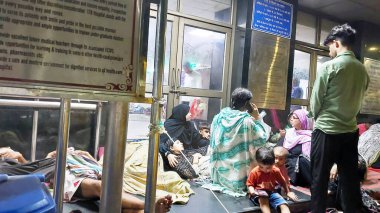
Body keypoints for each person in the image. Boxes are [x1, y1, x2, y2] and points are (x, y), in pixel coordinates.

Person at [309, 23, 369, 213]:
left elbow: (315, 101)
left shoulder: (329, 67)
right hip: (350, 132)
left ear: (336, 43)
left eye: (329, 47)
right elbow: (360, 97)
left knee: (319, 179)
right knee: (350, 180)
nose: (329, 52)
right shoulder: (362, 69)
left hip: (326, 130)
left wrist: (315, 116)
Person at [0, 147, 173, 213]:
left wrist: (21, 157)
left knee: (109, 203)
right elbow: (28, 178)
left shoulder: (14, 161)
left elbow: (31, 167)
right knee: (100, 187)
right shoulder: (4, 169)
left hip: (71, 167)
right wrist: (21, 158)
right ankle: (148, 207)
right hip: (62, 174)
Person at [208, 87, 267, 196]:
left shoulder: (218, 117)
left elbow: (213, 138)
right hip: (238, 173)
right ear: (246, 103)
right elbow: (262, 137)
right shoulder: (246, 121)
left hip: (220, 171)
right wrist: (257, 118)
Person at [159, 104, 209, 170]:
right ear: (181, 114)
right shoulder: (169, 125)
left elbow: (198, 140)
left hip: (189, 153)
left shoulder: (189, 124)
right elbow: (159, 143)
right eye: (188, 112)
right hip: (174, 157)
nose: (190, 114)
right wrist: (168, 154)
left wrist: (210, 144)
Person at [246, 147, 293, 213]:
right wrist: (252, 191)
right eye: (261, 167)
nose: (265, 170)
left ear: (273, 163)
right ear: (258, 163)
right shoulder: (254, 172)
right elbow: (250, 184)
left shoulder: (276, 170)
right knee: (264, 200)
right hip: (259, 193)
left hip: (272, 192)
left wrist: (288, 192)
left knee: (283, 204)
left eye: (268, 167)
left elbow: (283, 182)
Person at [282, 109, 313, 187]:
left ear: (302, 120)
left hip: (303, 170)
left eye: (294, 117)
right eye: (291, 117)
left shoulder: (310, 137)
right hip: (289, 167)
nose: (291, 119)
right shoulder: (289, 133)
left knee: (302, 160)